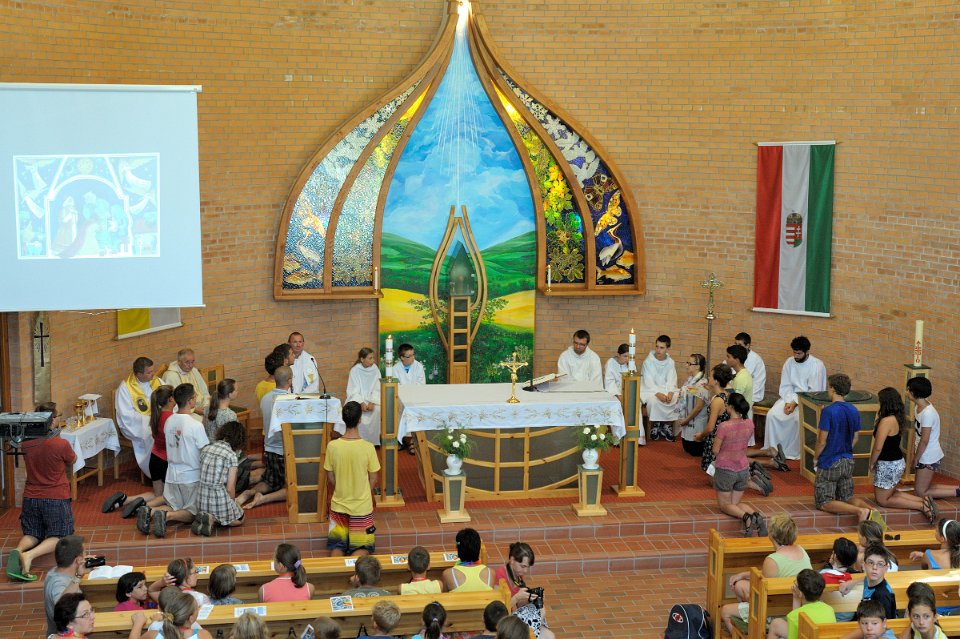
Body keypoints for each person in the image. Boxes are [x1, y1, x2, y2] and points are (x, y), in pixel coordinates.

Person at [6, 402, 76, 581]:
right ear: (51, 421)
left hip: (30, 496)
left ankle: (18, 549)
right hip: (55, 497)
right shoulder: (60, 444)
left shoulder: (26, 443)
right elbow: (72, 459)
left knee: (33, 532)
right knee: (60, 534)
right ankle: (29, 555)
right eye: (57, 416)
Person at [721, 514, 811, 635]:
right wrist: (743, 575)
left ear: (772, 535)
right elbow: (766, 576)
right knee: (740, 585)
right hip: (797, 605)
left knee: (725, 612)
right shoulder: (801, 550)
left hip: (773, 611)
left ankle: (753, 630)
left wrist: (748, 597)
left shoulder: (773, 560)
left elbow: (761, 591)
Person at [814, 373, 881, 523]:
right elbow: (856, 437)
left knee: (824, 502)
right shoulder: (853, 410)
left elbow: (822, 441)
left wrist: (816, 458)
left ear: (832, 389)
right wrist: (844, 449)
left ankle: (859, 511)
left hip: (829, 461)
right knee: (847, 497)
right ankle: (871, 510)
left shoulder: (828, 411)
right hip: (848, 460)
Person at [146, 384, 208, 537]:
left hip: (172, 474)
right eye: (195, 396)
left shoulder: (169, 421)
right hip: (190, 476)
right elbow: (204, 452)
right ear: (190, 400)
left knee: (174, 505)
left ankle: (150, 511)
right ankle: (166, 516)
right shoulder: (195, 425)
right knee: (192, 513)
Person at [870, 387, 936, 521]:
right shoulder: (897, 418)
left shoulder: (886, 421)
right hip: (896, 462)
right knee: (891, 493)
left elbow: (878, 447)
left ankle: (922, 506)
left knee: (883, 500)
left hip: (888, 464)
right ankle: (924, 501)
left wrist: (871, 463)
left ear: (885, 403)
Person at [324, 401, 380, 556]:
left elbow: (330, 476)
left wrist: (341, 487)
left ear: (343, 419)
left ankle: (336, 569)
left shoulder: (332, 446)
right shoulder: (368, 447)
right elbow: (373, 478)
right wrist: (365, 491)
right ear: (360, 420)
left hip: (339, 504)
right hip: (361, 507)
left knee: (337, 547)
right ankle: (355, 570)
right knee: (361, 547)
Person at [236, 365, 293, 510]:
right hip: (283, 450)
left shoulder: (266, 398)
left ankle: (249, 492)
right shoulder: (289, 400)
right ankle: (263, 498)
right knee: (294, 487)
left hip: (269, 448)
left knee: (270, 481)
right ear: (289, 381)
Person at [763, 336, 827, 460]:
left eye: (799, 353)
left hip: (807, 401)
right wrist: (789, 401)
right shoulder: (789, 362)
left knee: (798, 420)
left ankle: (793, 452)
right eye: (794, 352)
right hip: (789, 397)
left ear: (807, 352)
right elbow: (785, 385)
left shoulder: (817, 365)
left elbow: (814, 391)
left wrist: (795, 403)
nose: (796, 356)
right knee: (772, 415)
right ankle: (773, 449)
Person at [713, 392, 765, 537]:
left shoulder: (724, 426)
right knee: (734, 504)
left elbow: (715, 450)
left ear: (730, 407)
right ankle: (756, 516)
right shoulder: (749, 423)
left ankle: (746, 517)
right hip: (743, 468)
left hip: (726, 469)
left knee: (725, 505)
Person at [908, 378, 959, 501]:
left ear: (915, 393)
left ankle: (956, 492)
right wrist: (914, 454)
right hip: (923, 453)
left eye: (909, 390)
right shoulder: (918, 407)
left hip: (929, 456)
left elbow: (924, 440)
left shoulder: (928, 413)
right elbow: (917, 434)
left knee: (921, 492)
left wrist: (916, 458)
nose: (907, 392)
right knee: (920, 489)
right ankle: (957, 489)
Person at [492, 542, 555, 639]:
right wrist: (517, 597)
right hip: (504, 622)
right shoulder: (500, 575)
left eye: (528, 567)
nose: (525, 571)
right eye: (523, 566)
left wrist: (530, 597)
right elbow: (497, 611)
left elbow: (519, 604)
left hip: (514, 617)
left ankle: (536, 629)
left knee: (549, 634)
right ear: (512, 560)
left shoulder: (517, 574)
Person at [195, 421, 246, 535]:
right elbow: (230, 488)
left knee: (226, 511)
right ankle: (214, 519)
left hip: (200, 499)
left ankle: (207, 517)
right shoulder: (231, 455)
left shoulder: (206, 448)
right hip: (218, 500)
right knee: (241, 519)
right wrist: (232, 504)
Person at [114, 356, 161, 479]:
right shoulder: (125, 388)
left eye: (153, 370)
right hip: (137, 425)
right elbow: (126, 415)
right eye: (149, 372)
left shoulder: (156, 381)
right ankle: (155, 472)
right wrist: (151, 420)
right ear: (139, 374)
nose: (153, 374)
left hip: (156, 419)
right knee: (153, 435)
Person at [766, 569, 835, 639]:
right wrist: (796, 598)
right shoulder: (829, 609)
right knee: (777, 623)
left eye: (796, 584)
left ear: (801, 593)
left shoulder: (793, 616)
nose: (794, 585)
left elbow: (793, 635)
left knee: (775, 623)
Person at [44, 535, 90, 636]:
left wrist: (79, 570)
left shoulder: (54, 571)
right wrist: (78, 576)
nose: (86, 556)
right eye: (85, 553)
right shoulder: (58, 584)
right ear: (78, 560)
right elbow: (63, 607)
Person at [840, 545, 897, 621]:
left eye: (880, 564)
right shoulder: (870, 580)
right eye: (870, 563)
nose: (874, 567)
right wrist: (850, 583)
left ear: (886, 568)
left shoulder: (882, 595)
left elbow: (884, 624)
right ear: (864, 566)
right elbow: (865, 579)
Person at [640, 335, 680, 441]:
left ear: (668, 348)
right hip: (651, 390)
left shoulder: (670, 362)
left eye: (661, 348)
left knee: (676, 399)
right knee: (653, 401)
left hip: (666, 390)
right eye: (657, 347)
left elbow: (672, 379)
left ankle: (667, 426)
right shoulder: (648, 362)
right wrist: (658, 393)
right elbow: (648, 381)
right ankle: (656, 425)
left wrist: (670, 392)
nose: (658, 350)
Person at [696, 364, 734, 474]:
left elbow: (710, 428)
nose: (709, 378)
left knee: (713, 476)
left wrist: (700, 436)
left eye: (711, 376)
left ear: (716, 381)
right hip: (727, 439)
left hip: (716, 441)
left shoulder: (717, 401)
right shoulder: (728, 395)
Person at [390, 343, 425, 454]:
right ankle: (399, 439)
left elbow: (421, 384)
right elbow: (396, 386)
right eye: (409, 356)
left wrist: (411, 394)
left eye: (413, 354)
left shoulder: (418, 366)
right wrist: (405, 396)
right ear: (402, 358)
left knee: (416, 409)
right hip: (401, 398)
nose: (413, 358)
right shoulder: (395, 369)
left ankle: (413, 441)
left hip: (416, 397)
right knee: (397, 407)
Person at [138, 590, 212, 639]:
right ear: (191, 618)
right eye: (197, 608)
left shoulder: (152, 635)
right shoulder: (203, 635)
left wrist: (137, 625)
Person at [347, 347, 382, 445]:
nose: (373, 361)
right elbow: (353, 389)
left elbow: (377, 388)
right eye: (370, 358)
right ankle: (358, 441)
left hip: (371, 400)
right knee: (355, 411)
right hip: (358, 399)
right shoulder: (355, 370)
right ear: (362, 359)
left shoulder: (375, 369)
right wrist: (361, 402)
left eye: (373, 358)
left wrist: (372, 401)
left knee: (377, 410)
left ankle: (373, 441)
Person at [441, 527, 494, 592]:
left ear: (458, 549)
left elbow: (445, 596)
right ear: (478, 548)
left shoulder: (448, 574)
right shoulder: (490, 573)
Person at [161, 348, 210, 416]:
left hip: (202, 406)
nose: (191, 365)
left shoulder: (194, 371)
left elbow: (204, 391)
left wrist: (206, 405)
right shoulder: (170, 376)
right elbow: (172, 402)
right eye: (187, 362)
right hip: (186, 412)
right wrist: (194, 410)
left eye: (192, 362)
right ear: (179, 361)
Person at [677, 353, 709, 455]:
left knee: (694, 452)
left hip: (697, 423)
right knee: (687, 449)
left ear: (697, 366)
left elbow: (699, 407)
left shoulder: (702, 383)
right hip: (687, 422)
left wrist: (685, 420)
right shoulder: (690, 381)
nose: (686, 365)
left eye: (689, 363)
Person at [735, 332, 767, 404]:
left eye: (740, 345)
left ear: (747, 345)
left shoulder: (757, 360)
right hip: (734, 392)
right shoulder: (733, 356)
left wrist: (741, 395)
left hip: (751, 394)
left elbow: (758, 383)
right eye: (735, 344)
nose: (737, 347)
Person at [725, 344, 754, 416]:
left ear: (737, 360)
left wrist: (726, 386)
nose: (726, 359)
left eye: (728, 357)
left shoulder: (741, 378)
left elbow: (735, 401)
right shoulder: (742, 373)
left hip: (740, 417)